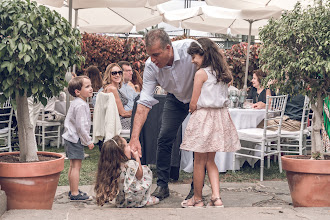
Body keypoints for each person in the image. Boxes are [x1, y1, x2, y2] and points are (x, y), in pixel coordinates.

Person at [128, 29, 197, 201]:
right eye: (150, 55)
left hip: (198, 97)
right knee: (164, 137)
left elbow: (212, 64)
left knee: (198, 143)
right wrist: (134, 137)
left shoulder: (190, 48)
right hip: (174, 98)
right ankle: (162, 185)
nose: (153, 59)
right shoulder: (151, 66)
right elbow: (144, 102)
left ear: (168, 48)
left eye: (156, 54)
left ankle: (196, 188)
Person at [180, 38, 241, 208]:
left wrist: (192, 109)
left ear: (203, 54)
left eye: (194, 56)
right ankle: (216, 197)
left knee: (199, 161)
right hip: (219, 117)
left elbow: (194, 101)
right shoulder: (222, 73)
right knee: (211, 161)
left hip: (204, 117)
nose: (193, 60)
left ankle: (197, 199)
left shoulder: (201, 74)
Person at [94, 135, 159, 207]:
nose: (129, 147)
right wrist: (137, 158)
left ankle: (121, 201)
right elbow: (140, 175)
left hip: (121, 201)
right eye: (127, 145)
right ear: (120, 153)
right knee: (145, 169)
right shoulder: (131, 164)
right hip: (134, 199)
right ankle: (144, 200)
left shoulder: (111, 168)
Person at [62, 75, 95, 201]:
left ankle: (73, 190)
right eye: (87, 86)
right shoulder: (81, 105)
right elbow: (81, 127)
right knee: (76, 166)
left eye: (90, 85)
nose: (91, 88)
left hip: (71, 138)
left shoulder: (77, 103)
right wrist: (88, 141)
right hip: (75, 139)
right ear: (77, 91)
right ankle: (75, 193)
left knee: (72, 166)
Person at [103, 63, 132, 130]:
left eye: (120, 72)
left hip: (118, 120)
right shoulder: (112, 89)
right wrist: (137, 111)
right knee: (142, 121)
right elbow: (123, 113)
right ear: (109, 75)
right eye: (114, 73)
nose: (118, 75)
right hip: (118, 123)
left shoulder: (112, 88)